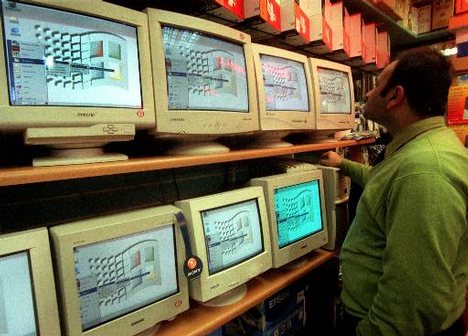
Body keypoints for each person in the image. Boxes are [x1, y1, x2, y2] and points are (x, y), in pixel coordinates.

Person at [319, 47, 468, 336]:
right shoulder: (424, 149)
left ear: (395, 96)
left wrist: (368, 332)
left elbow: (413, 297)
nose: (368, 95)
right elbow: (384, 185)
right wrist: (344, 164)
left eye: (376, 87)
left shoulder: (424, 170)